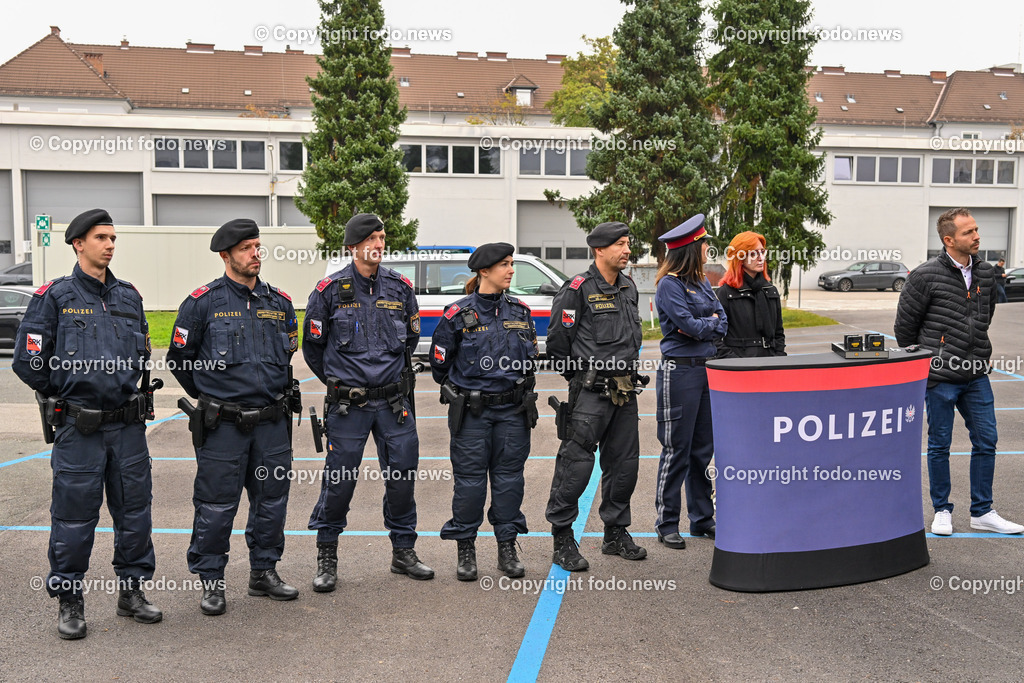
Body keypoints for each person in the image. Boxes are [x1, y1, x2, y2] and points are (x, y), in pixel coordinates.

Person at [13, 208, 161, 639]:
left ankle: (132, 593)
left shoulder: (129, 297)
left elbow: (140, 355)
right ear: (78, 243)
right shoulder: (54, 297)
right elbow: (29, 361)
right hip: (80, 428)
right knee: (74, 518)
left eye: (113, 237)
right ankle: (70, 599)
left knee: (135, 513)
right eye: (101, 237)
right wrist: (67, 393)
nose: (110, 244)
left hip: (128, 427)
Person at [167, 218, 302, 616]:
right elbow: (179, 360)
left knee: (272, 500)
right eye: (246, 248)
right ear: (226, 255)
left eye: (258, 246)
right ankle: (211, 580)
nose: (255, 254)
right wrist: (213, 398)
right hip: (223, 426)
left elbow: (288, 354)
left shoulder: (279, 304)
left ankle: (264, 571)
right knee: (215, 505)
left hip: (272, 424)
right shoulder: (202, 303)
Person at [304, 213, 433, 588]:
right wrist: (341, 383)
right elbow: (314, 349)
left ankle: (403, 551)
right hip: (349, 406)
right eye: (371, 238)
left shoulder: (399, 288)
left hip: (394, 404)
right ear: (352, 246)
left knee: (403, 476)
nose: (379, 244)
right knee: (340, 480)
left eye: (381, 237)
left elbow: (409, 343)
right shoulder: (328, 290)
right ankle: (327, 553)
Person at [895, 208, 1024, 536]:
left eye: (977, 229)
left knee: (987, 440)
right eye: (969, 232)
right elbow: (904, 330)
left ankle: (982, 511)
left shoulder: (985, 274)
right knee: (940, 444)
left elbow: (986, 315)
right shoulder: (924, 276)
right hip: (940, 378)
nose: (977, 236)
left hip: (977, 374)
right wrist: (933, 362)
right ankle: (942, 510)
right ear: (949, 240)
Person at [429, 243, 539, 581]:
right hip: (473, 414)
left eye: (511, 264)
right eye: (504, 265)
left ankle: (506, 547)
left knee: (509, 482)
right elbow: (439, 365)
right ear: (483, 271)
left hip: (512, 412)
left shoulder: (520, 312)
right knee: (470, 484)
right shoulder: (457, 314)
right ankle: (466, 548)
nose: (510, 270)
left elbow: (531, 360)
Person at [545, 221, 648, 572]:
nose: (627, 250)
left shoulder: (629, 287)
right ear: (599, 249)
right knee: (576, 465)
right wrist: (581, 380)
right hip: (590, 394)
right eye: (620, 244)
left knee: (624, 466)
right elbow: (558, 343)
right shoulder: (578, 289)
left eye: (628, 243)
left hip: (625, 391)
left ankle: (615, 533)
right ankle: (562, 538)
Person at [653, 214, 728, 549]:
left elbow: (720, 320)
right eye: (703, 245)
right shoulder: (669, 284)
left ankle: (702, 520)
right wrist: (706, 322)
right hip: (680, 371)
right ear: (690, 249)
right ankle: (667, 522)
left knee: (702, 451)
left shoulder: (702, 283)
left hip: (705, 370)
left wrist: (705, 323)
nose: (708, 249)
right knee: (677, 450)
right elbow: (688, 326)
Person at [715, 231, 785, 359]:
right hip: (740, 367)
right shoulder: (725, 293)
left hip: (770, 364)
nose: (760, 258)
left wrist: (779, 358)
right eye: (753, 253)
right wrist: (735, 363)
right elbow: (715, 338)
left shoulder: (771, 290)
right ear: (739, 259)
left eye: (762, 252)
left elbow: (778, 333)